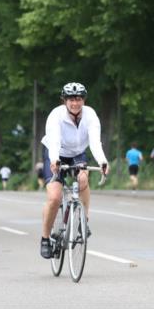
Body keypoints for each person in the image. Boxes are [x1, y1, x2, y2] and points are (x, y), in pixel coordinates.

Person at [39, 82, 110, 259]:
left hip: (78, 153)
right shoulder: (56, 115)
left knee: (83, 179)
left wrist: (102, 161)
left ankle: (83, 222)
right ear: (64, 100)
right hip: (56, 153)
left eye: (78, 99)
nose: (75, 103)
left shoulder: (91, 115)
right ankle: (45, 238)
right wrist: (54, 159)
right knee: (54, 197)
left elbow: (94, 142)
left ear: (83, 100)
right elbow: (54, 140)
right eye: (71, 99)